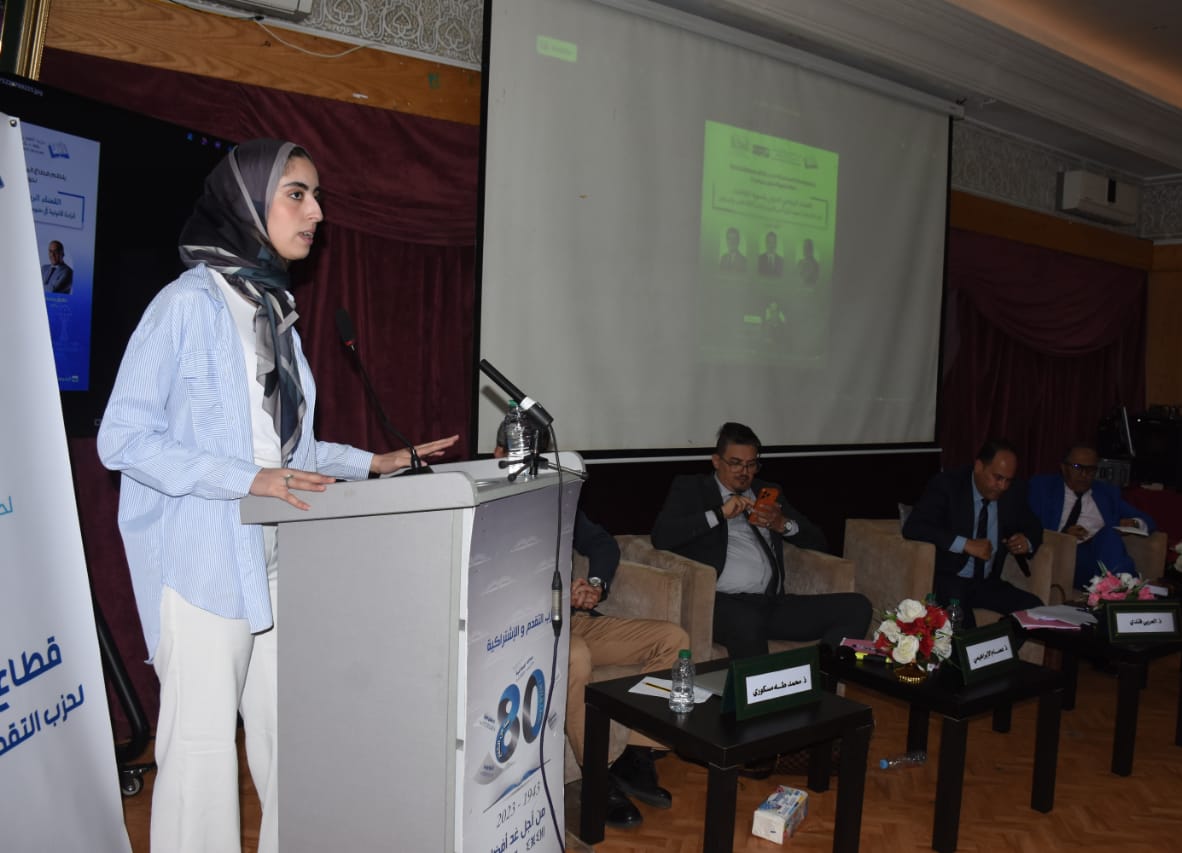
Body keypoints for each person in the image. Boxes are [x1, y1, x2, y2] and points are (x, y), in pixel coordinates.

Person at [98, 139, 459, 853]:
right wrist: (246, 478)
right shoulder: (186, 305)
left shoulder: (274, 312)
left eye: (317, 196)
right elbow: (124, 439)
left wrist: (374, 463)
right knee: (202, 754)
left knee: (291, 740)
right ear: (245, 202)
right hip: (202, 564)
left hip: (271, 557)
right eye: (298, 194)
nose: (317, 212)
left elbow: (285, 455)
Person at [492, 440, 687, 829]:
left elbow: (601, 544)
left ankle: (636, 756)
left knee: (673, 639)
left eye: (538, 458)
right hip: (522, 631)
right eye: (522, 455)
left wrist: (594, 584)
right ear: (500, 455)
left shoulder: (554, 498)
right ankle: (597, 778)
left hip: (572, 619)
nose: (532, 466)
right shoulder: (484, 508)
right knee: (576, 654)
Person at [651, 422, 872, 660]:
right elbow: (662, 536)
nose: (744, 471)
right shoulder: (692, 488)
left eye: (751, 464)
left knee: (857, 607)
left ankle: (821, 673)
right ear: (716, 461)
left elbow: (818, 541)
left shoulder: (767, 491)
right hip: (723, 604)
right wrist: (720, 513)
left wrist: (783, 524)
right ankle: (760, 685)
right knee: (747, 621)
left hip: (772, 603)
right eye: (735, 463)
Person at [902, 440, 1044, 628]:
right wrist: (965, 544)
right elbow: (914, 526)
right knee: (963, 621)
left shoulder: (1013, 492)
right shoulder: (948, 485)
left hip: (987, 582)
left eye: (1008, 480)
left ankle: (999, 645)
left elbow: (1034, 526)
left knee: (1035, 609)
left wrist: (1027, 541)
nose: (1002, 486)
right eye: (998, 478)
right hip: (951, 578)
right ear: (979, 467)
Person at [1028, 443, 1156, 590]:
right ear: (1063, 467)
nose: (1084, 475)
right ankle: (1128, 589)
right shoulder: (1043, 488)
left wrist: (1134, 523)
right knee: (1109, 538)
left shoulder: (1106, 493)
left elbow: (1149, 521)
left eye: (1091, 469)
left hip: (1100, 556)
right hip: (1065, 557)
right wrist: (1063, 536)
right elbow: (1029, 527)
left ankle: (1122, 588)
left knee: (1109, 535)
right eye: (1077, 467)